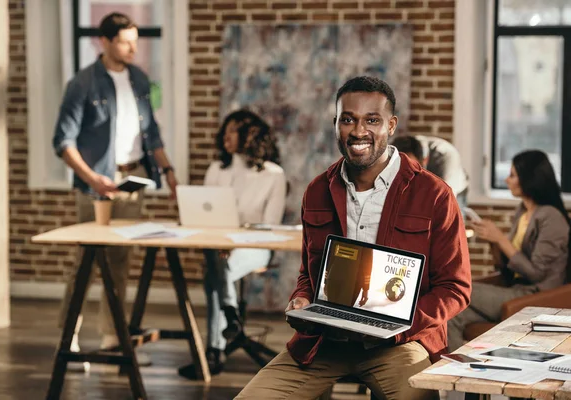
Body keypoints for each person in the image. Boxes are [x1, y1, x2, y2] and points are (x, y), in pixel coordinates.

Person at [236, 76, 471, 399]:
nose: (359, 131)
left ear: (391, 126)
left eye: (371, 120)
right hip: (325, 342)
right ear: (335, 124)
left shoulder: (433, 194)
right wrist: (303, 298)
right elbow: (310, 272)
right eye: (348, 119)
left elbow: (455, 289)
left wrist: (398, 325)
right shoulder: (318, 190)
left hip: (400, 343)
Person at [52, 12, 178, 369]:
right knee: (86, 262)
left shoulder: (139, 78)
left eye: (135, 41)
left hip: (133, 180)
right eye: (125, 41)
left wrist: (167, 169)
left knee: (121, 262)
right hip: (96, 186)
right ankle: (69, 339)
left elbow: (151, 134)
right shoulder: (83, 83)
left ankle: (112, 338)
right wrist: (92, 178)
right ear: (104, 42)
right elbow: (63, 141)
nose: (133, 48)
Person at [178, 110, 287, 379]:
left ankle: (214, 351)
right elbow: (204, 217)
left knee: (214, 273)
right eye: (224, 130)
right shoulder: (217, 169)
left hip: (256, 247)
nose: (226, 136)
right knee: (217, 262)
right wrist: (221, 240)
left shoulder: (273, 174)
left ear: (250, 135)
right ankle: (230, 319)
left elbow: (270, 226)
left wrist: (235, 241)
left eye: (233, 130)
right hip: (219, 245)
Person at [448, 150, 570, 352]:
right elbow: (504, 268)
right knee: (450, 314)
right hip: (513, 288)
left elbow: (536, 273)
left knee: (456, 289)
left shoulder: (551, 217)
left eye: (512, 175)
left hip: (535, 295)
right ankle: (451, 374)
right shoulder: (523, 212)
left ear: (529, 179)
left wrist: (501, 238)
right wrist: (493, 242)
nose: (507, 179)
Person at [391, 135, 469, 211]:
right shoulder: (393, 151)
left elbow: (446, 199)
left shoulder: (446, 155)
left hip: (454, 189)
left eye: (410, 166)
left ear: (425, 160)